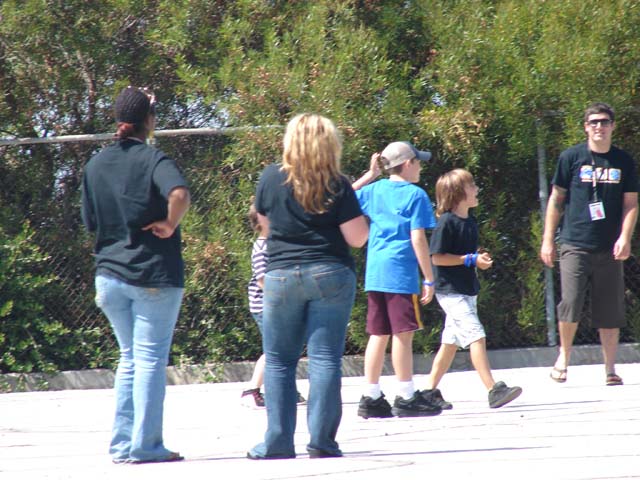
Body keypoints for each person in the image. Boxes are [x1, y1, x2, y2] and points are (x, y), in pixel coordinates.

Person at [248, 113, 369, 460]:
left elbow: (265, 226)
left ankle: (277, 442)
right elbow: (357, 238)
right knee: (325, 359)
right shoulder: (338, 184)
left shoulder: (270, 177)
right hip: (330, 272)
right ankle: (322, 442)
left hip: (280, 275)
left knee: (278, 361)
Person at [81, 86, 190, 463]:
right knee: (149, 359)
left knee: (129, 358)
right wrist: (170, 223)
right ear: (150, 121)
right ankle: (146, 446)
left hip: (109, 276)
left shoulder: (95, 165)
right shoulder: (154, 159)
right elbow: (179, 193)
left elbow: (90, 222)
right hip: (152, 274)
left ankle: (122, 445)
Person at [540, 102, 639, 386]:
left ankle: (610, 369)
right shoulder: (571, 157)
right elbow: (556, 199)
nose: (599, 127)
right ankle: (563, 358)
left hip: (609, 247)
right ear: (585, 127)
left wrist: (625, 237)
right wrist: (548, 240)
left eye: (604, 122)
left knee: (609, 309)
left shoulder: (623, 161)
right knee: (570, 302)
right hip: (574, 243)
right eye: (594, 122)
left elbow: (631, 203)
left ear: (612, 126)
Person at [351, 142, 442, 418]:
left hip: (376, 272)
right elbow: (418, 238)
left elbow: (343, 198)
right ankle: (406, 395)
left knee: (378, 334)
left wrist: (370, 175)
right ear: (407, 164)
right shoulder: (416, 195)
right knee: (403, 334)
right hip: (401, 273)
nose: (420, 167)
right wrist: (429, 277)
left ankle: (371, 396)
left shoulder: (374, 190)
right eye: (418, 161)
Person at [425, 168, 522, 409]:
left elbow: (464, 255)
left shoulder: (470, 221)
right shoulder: (446, 222)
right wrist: (469, 259)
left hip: (466, 289)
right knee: (476, 335)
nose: (477, 189)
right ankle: (493, 389)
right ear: (458, 193)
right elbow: (437, 257)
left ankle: (428, 392)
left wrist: (478, 258)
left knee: (450, 343)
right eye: (472, 186)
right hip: (451, 292)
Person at [242, 201, 305, 408]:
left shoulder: (275, 243)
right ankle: (253, 391)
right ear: (261, 220)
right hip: (265, 306)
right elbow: (262, 280)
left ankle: (284, 390)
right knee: (276, 350)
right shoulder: (262, 247)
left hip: (276, 305)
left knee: (280, 348)